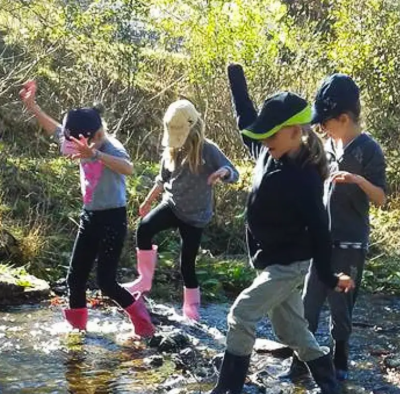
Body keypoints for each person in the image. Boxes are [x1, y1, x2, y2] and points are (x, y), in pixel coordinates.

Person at [208, 64, 355, 394]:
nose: (264, 140)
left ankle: (227, 392)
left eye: (271, 135)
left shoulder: (304, 177)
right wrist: (236, 79)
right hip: (270, 259)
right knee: (291, 330)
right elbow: (246, 118)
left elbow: (320, 228)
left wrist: (329, 276)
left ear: (294, 132)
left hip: (290, 264)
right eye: (263, 136)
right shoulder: (265, 148)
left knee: (241, 314)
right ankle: (331, 387)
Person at [19, 80, 155, 338]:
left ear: (93, 136)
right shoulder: (73, 139)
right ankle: (78, 333)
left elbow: (129, 168)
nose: (70, 147)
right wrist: (32, 106)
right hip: (89, 216)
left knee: (106, 282)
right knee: (75, 278)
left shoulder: (110, 147)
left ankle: (143, 323)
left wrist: (94, 155)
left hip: (113, 219)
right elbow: (54, 130)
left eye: (76, 143)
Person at [284, 74, 386, 382]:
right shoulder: (324, 146)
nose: (320, 128)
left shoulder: (368, 150)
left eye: (325, 122)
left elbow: (380, 198)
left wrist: (357, 180)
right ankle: (301, 361)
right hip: (320, 242)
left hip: (350, 244)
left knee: (341, 308)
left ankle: (339, 355)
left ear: (344, 118)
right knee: (307, 304)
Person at [123, 99, 239, 321]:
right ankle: (144, 280)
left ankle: (192, 306)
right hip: (172, 204)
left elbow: (233, 172)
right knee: (145, 227)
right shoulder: (171, 149)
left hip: (195, 216)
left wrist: (223, 173)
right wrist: (148, 201)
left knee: (187, 263)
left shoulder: (208, 149)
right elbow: (162, 179)